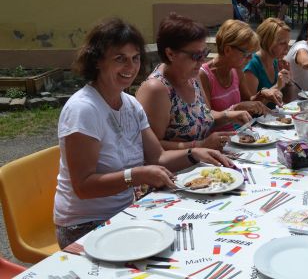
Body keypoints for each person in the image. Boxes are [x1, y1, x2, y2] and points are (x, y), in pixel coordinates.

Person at [54, 18, 232, 248]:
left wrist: (194, 153)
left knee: (200, 235)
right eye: (120, 59)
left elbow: (157, 157)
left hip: (126, 212)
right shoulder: (83, 109)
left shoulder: (130, 104)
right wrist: (136, 175)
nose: (130, 67)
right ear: (97, 61)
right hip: (85, 226)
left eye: (135, 58)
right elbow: (83, 186)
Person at [136, 13, 251, 151]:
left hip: (203, 161)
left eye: (205, 53)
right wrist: (199, 146)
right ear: (170, 54)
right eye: (196, 56)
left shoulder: (192, 77)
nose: (202, 60)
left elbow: (202, 117)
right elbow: (150, 148)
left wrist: (229, 115)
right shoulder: (156, 89)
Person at [199, 20, 280, 131]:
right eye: (247, 54)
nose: (250, 58)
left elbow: (248, 101)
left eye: (252, 54)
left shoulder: (236, 70)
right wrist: (236, 108)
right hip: (219, 138)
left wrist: (262, 94)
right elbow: (206, 118)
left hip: (239, 133)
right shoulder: (204, 75)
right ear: (227, 50)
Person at [243, 18, 292, 107]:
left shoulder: (275, 62)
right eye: (282, 43)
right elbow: (250, 108)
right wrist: (277, 86)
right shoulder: (252, 66)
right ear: (268, 42)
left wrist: (288, 82)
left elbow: (287, 100)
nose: (287, 48)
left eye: (287, 43)